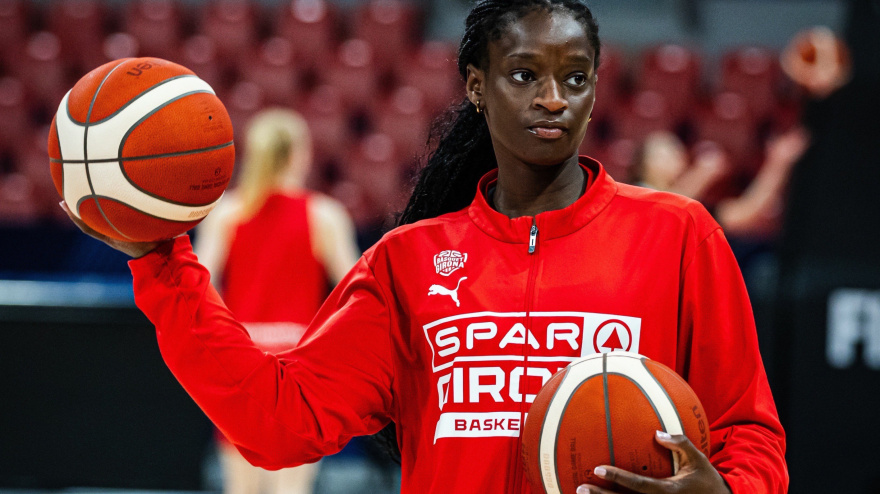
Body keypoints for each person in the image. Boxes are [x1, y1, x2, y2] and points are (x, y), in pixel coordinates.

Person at [60, 1, 787, 493]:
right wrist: (159, 262)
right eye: (525, 74)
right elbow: (276, 422)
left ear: (596, 91)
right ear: (477, 86)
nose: (553, 98)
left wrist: (726, 491)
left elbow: (750, 432)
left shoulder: (678, 233)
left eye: (575, 77)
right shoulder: (408, 262)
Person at [193, 109, 360, 494]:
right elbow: (356, 295)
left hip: (242, 358)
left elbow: (200, 288)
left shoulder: (227, 214)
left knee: (242, 486)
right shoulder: (325, 215)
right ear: (300, 154)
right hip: (299, 361)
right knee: (291, 488)